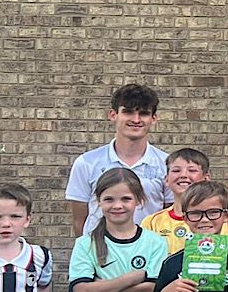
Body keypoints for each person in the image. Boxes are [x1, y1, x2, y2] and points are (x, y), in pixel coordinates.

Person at [64, 83, 173, 236]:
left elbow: (170, 217)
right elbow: (79, 222)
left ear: (153, 118)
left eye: (143, 113)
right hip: (100, 252)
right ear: (113, 115)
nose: (136, 119)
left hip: (149, 253)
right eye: (128, 112)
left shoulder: (167, 164)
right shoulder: (86, 163)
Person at [141, 148, 215, 254]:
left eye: (192, 170)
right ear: (166, 179)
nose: (183, 175)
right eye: (176, 171)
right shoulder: (151, 222)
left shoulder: (217, 220)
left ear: (206, 178)